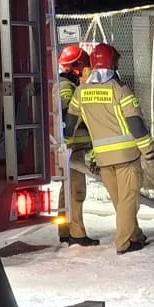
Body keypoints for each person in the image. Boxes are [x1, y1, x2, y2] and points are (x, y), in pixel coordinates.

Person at [66, 43, 151, 254]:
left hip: (103, 159)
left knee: (120, 201)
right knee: (128, 200)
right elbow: (135, 123)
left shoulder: (81, 91)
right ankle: (124, 243)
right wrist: (148, 149)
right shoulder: (119, 90)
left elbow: (70, 122)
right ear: (112, 63)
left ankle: (135, 235)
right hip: (126, 156)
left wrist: (65, 143)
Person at [54, 45, 99, 245]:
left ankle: (65, 231)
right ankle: (77, 234)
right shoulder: (66, 87)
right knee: (76, 191)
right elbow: (68, 116)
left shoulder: (65, 83)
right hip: (73, 148)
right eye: (85, 66)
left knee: (67, 190)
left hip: (70, 149)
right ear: (77, 66)